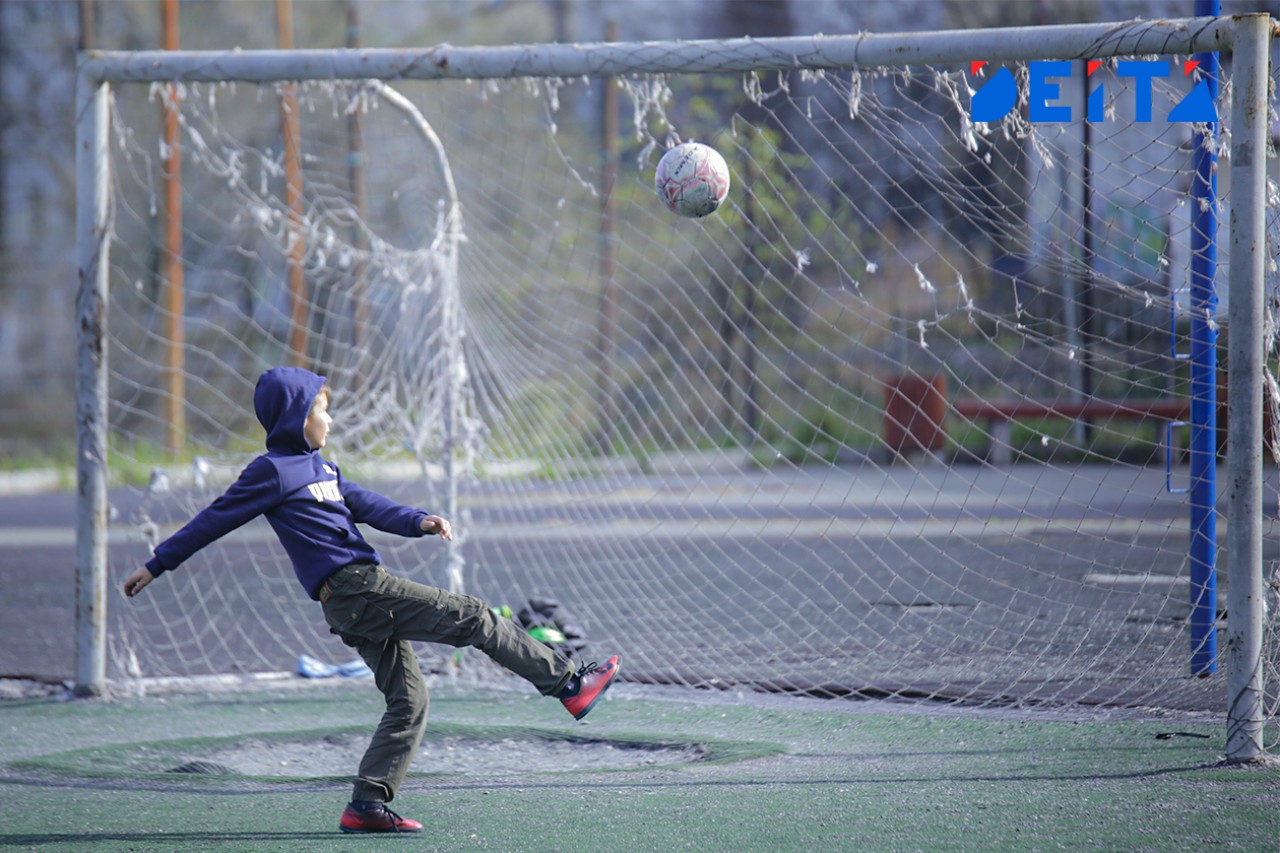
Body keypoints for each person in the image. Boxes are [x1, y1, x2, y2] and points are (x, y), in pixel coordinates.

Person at [123, 366, 620, 835]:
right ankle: (569, 684)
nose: (330, 419)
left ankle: (367, 805)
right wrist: (155, 563)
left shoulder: (323, 469)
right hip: (357, 589)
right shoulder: (271, 471)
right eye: (322, 409)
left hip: (353, 601)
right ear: (297, 417)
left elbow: (369, 505)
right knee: (473, 617)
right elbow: (214, 519)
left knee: (409, 700)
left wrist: (420, 519)